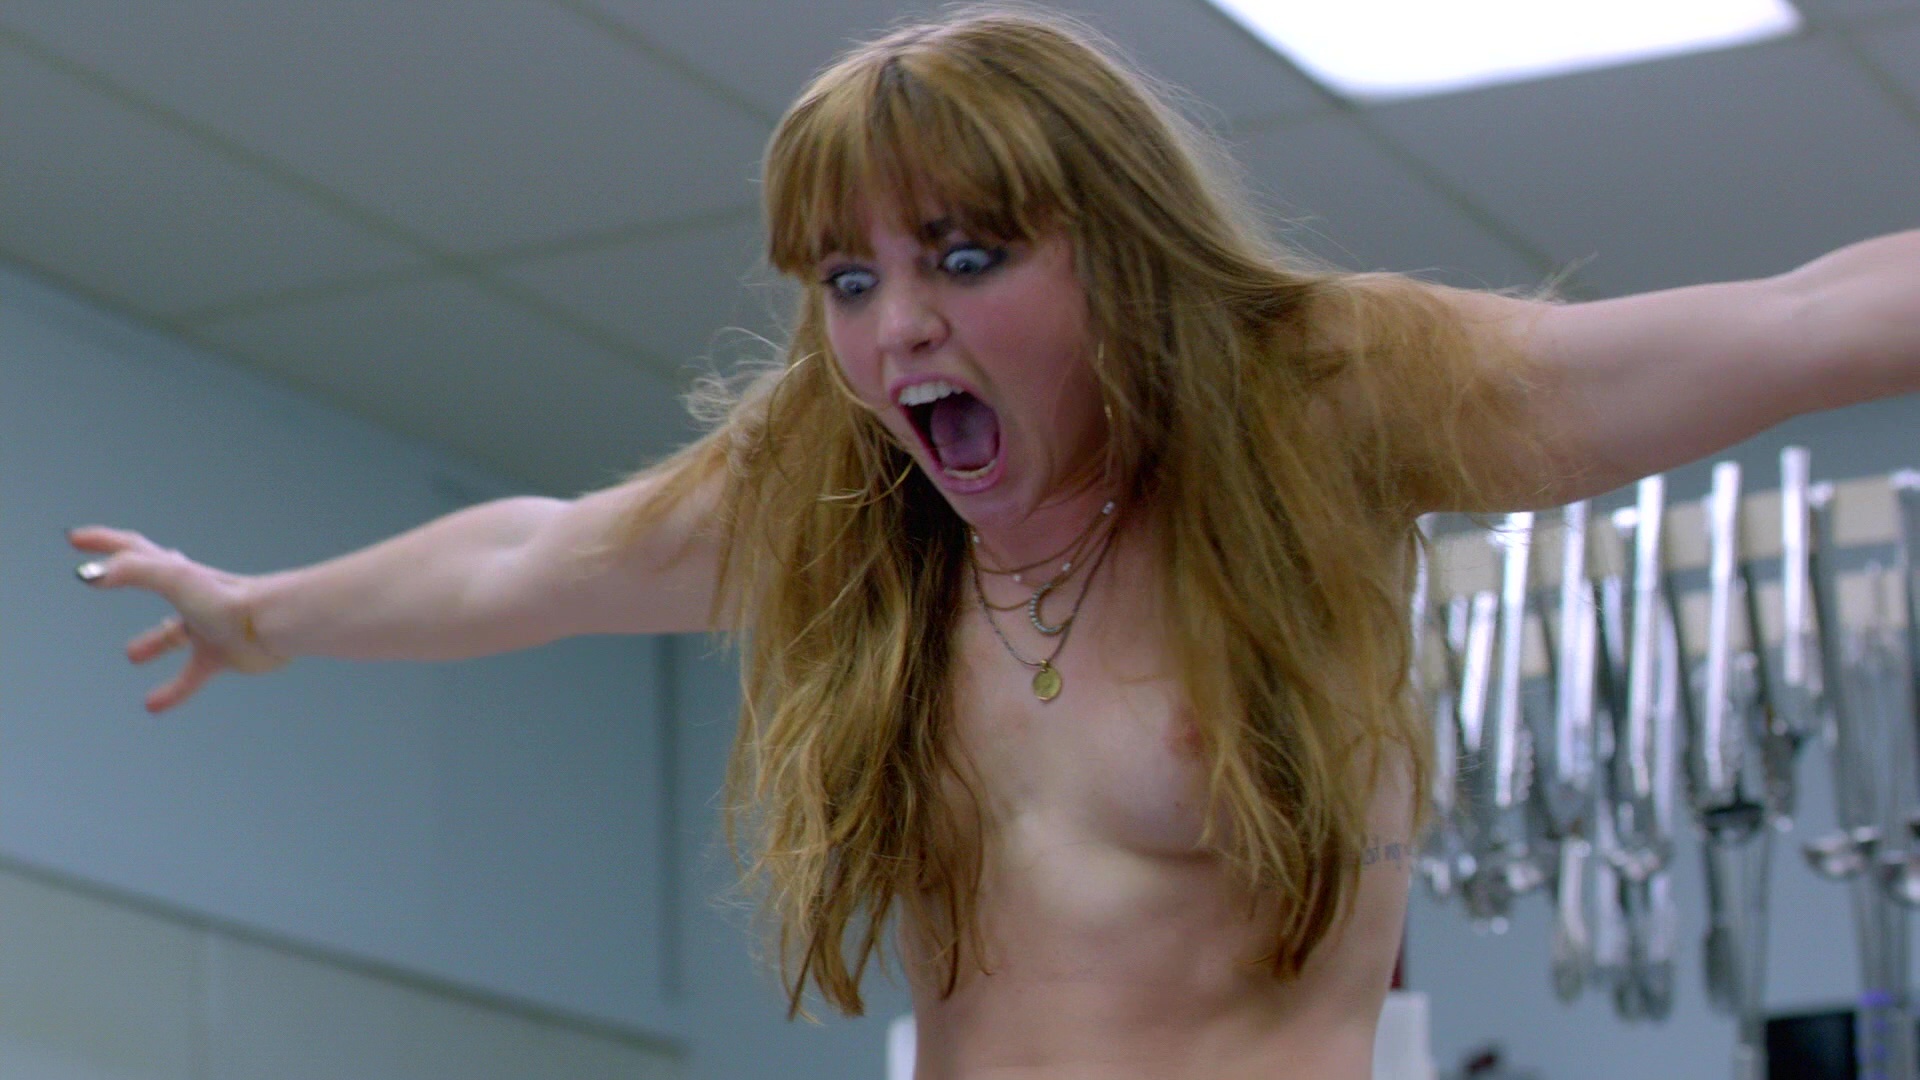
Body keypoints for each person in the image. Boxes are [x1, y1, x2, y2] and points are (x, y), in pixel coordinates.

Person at [68, 8, 1919, 1078]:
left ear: (1124, 252)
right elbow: (531, 559)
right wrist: (263, 616)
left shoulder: (1325, 408)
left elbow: (1804, 319)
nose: (897, 333)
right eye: (847, 281)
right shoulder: (847, 504)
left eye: (966, 258)